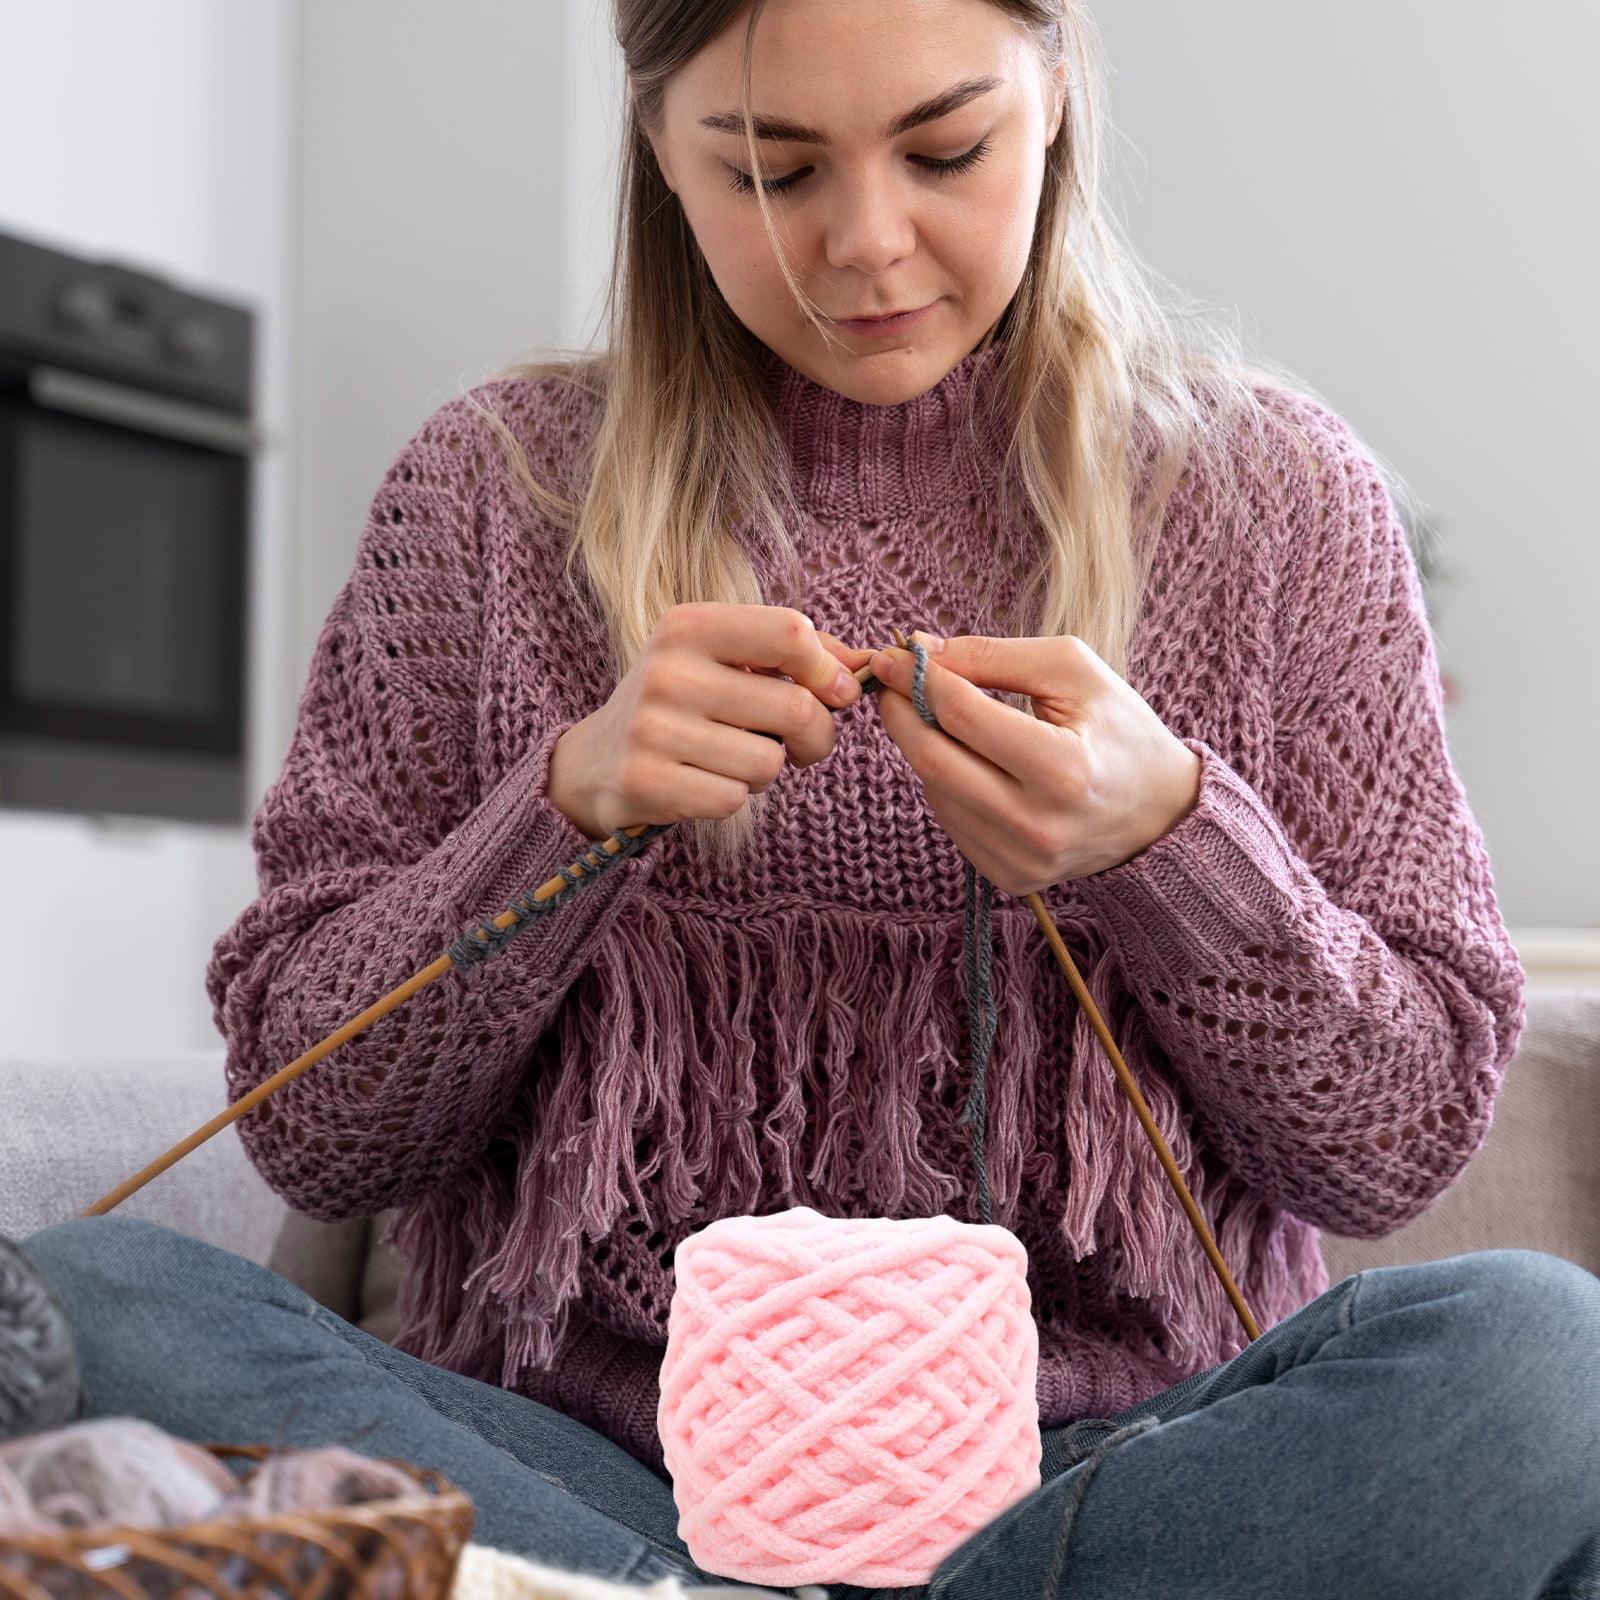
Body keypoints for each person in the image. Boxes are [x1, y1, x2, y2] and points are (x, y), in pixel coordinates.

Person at [24, 0, 1600, 1595]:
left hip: (1110, 1485)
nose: (865, 243)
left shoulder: (1275, 501)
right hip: (584, 1473)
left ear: (1056, 91)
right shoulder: (492, 494)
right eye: (773, 171)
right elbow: (315, 1132)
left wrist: (1172, 848)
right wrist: (556, 813)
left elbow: (1394, 1147)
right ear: (659, 146)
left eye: (946, 150)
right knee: (85, 1301)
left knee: (1548, 1359)